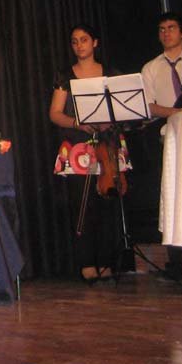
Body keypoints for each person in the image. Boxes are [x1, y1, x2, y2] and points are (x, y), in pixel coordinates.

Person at [48, 24, 123, 284]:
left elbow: (122, 108)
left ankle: (107, 260)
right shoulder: (65, 75)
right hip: (79, 145)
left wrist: (110, 121)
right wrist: (76, 123)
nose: (79, 45)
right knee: (82, 205)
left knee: (108, 202)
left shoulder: (110, 74)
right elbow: (55, 113)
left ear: (95, 43)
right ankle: (86, 262)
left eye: (84, 40)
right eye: (74, 41)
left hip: (107, 144)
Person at [140, 12, 182, 280]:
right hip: (166, 132)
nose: (166, 33)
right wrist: (175, 113)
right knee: (170, 194)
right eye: (162, 29)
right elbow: (147, 105)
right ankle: (179, 260)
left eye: (172, 28)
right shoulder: (151, 67)